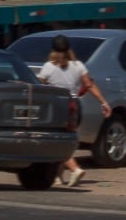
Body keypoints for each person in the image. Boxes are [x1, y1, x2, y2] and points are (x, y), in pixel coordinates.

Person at [37, 35, 110, 188]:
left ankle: (75, 169)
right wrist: (103, 102)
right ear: (69, 48)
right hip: (75, 105)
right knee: (67, 139)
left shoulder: (49, 67)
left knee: (57, 142)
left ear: (53, 49)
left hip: (58, 106)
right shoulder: (78, 65)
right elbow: (89, 85)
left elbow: (39, 87)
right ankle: (57, 177)